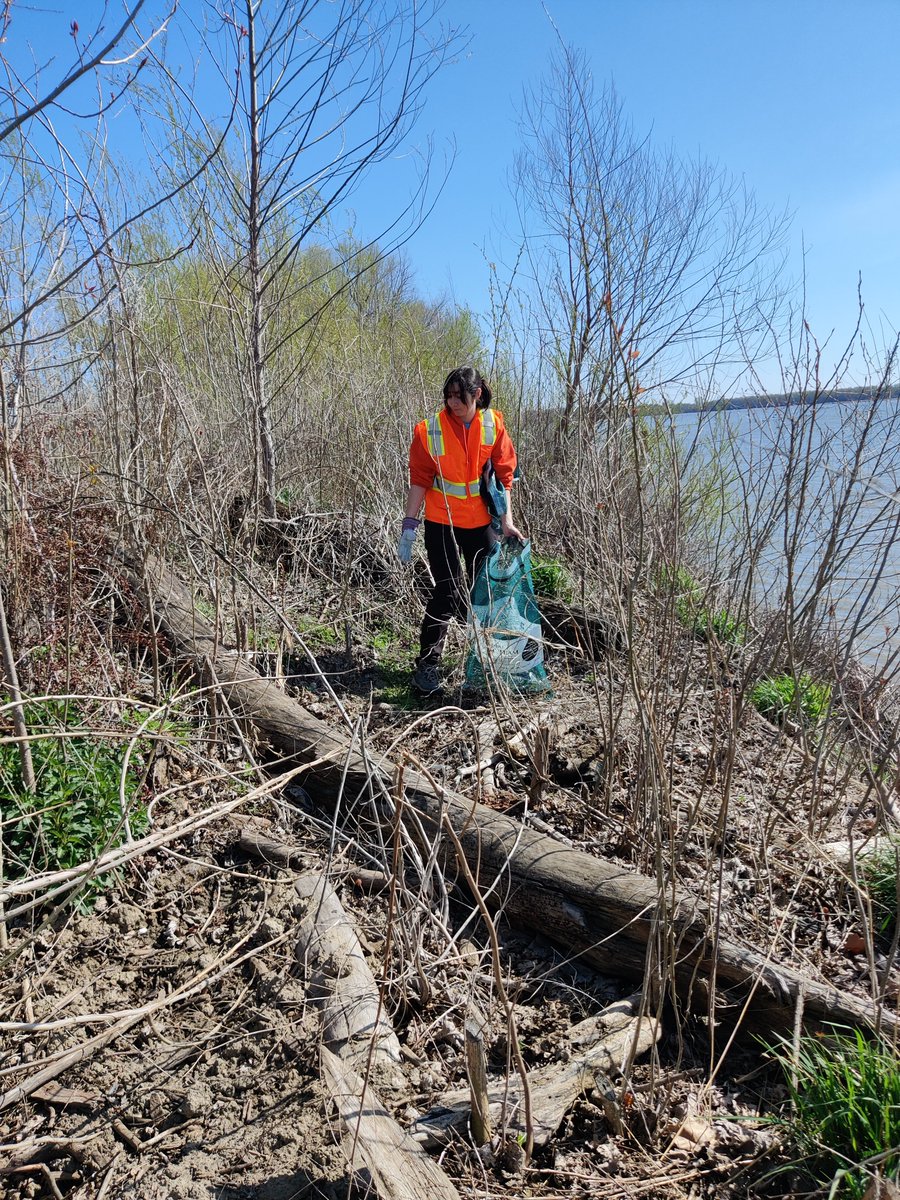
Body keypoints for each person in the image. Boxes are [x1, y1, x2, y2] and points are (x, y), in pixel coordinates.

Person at [398, 366, 523, 694]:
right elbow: (419, 480)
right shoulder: (429, 431)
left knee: (486, 593)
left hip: (481, 523)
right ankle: (427, 667)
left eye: (460, 396)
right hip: (442, 522)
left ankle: (484, 665)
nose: (452, 402)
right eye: (448, 396)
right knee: (447, 591)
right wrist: (409, 525)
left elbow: (504, 475)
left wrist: (507, 521)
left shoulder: (493, 424)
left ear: (477, 394)